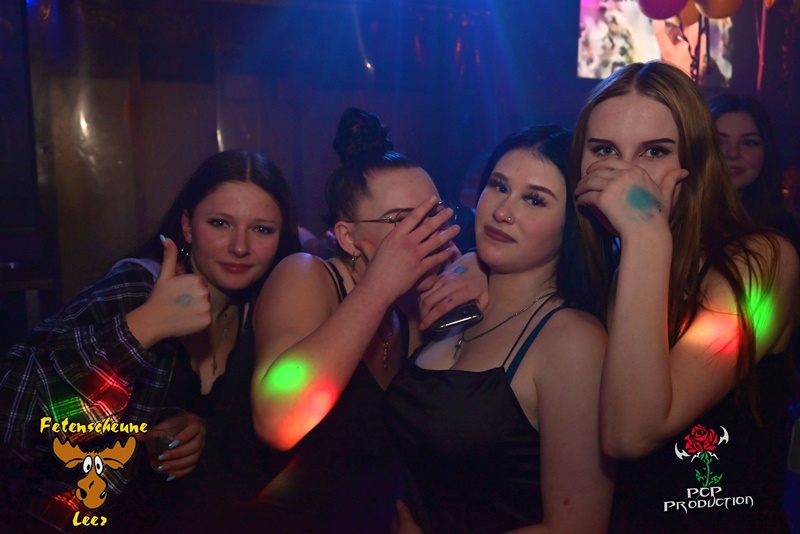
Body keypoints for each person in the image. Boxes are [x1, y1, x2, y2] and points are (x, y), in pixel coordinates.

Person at [0, 149, 300, 530]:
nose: (240, 246)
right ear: (188, 227)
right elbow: (13, 421)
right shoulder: (136, 289)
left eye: (262, 229)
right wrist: (142, 328)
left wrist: (199, 430)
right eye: (220, 223)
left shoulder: (262, 311)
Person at [572, 61, 799, 532]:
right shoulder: (592, 261)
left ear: (695, 163)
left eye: (655, 151)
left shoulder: (761, 264)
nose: (626, 173)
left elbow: (631, 433)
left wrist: (646, 234)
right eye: (604, 150)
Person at [250, 107, 482, 532]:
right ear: (348, 237)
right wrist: (379, 286)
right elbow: (278, 422)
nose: (428, 232)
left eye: (434, 216)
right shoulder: (306, 275)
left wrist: (481, 278)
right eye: (403, 220)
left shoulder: (410, 310)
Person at [383, 125, 614, 533]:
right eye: (499, 186)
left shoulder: (572, 340)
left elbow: (577, 526)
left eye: (534, 199)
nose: (503, 211)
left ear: (571, 225)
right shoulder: (454, 300)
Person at [708, 92, 800, 252]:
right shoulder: (674, 218)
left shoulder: (782, 231)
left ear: (767, 151)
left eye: (749, 142)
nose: (732, 153)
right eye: (718, 141)